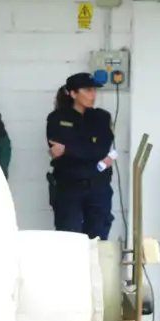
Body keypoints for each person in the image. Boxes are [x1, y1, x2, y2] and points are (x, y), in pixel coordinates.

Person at [46, 72, 117, 240]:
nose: (93, 95)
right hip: (69, 187)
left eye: (94, 90)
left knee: (97, 239)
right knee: (69, 238)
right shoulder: (57, 118)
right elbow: (60, 149)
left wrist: (68, 149)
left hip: (98, 186)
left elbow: (101, 149)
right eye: (87, 90)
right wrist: (87, 150)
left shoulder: (101, 117)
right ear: (73, 93)